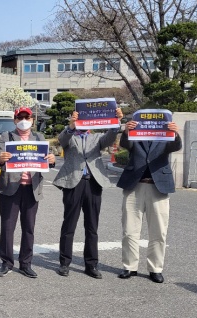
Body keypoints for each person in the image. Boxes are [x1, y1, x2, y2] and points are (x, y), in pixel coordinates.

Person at [53, 108, 123, 279]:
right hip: (73, 183)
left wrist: (116, 121)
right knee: (69, 225)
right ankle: (64, 263)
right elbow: (62, 140)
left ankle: (91, 264)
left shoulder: (97, 137)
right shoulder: (70, 135)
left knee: (92, 226)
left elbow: (110, 137)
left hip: (93, 183)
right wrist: (71, 126)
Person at [116, 119, 181, 283]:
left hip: (158, 187)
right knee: (129, 230)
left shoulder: (165, 134)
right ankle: (130, 266)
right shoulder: (136, 132)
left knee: (159, 231)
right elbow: (126, 145)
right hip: (134, 186)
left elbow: (175, 146)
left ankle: (155, 268)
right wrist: (126, 132)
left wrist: (175, 133)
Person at [0, 107, 56, 278]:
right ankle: (6, 263)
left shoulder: (39, 138)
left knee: (29, 227)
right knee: (8, 227)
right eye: (20, 117)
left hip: (32, 189)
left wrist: (51, 160)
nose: (23, 119)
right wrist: (1, 158)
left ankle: (25, 263)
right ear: (15, 120)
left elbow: (48, 159)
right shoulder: (7, 136)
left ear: (32, 120)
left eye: (27, 117)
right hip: (10, 188)